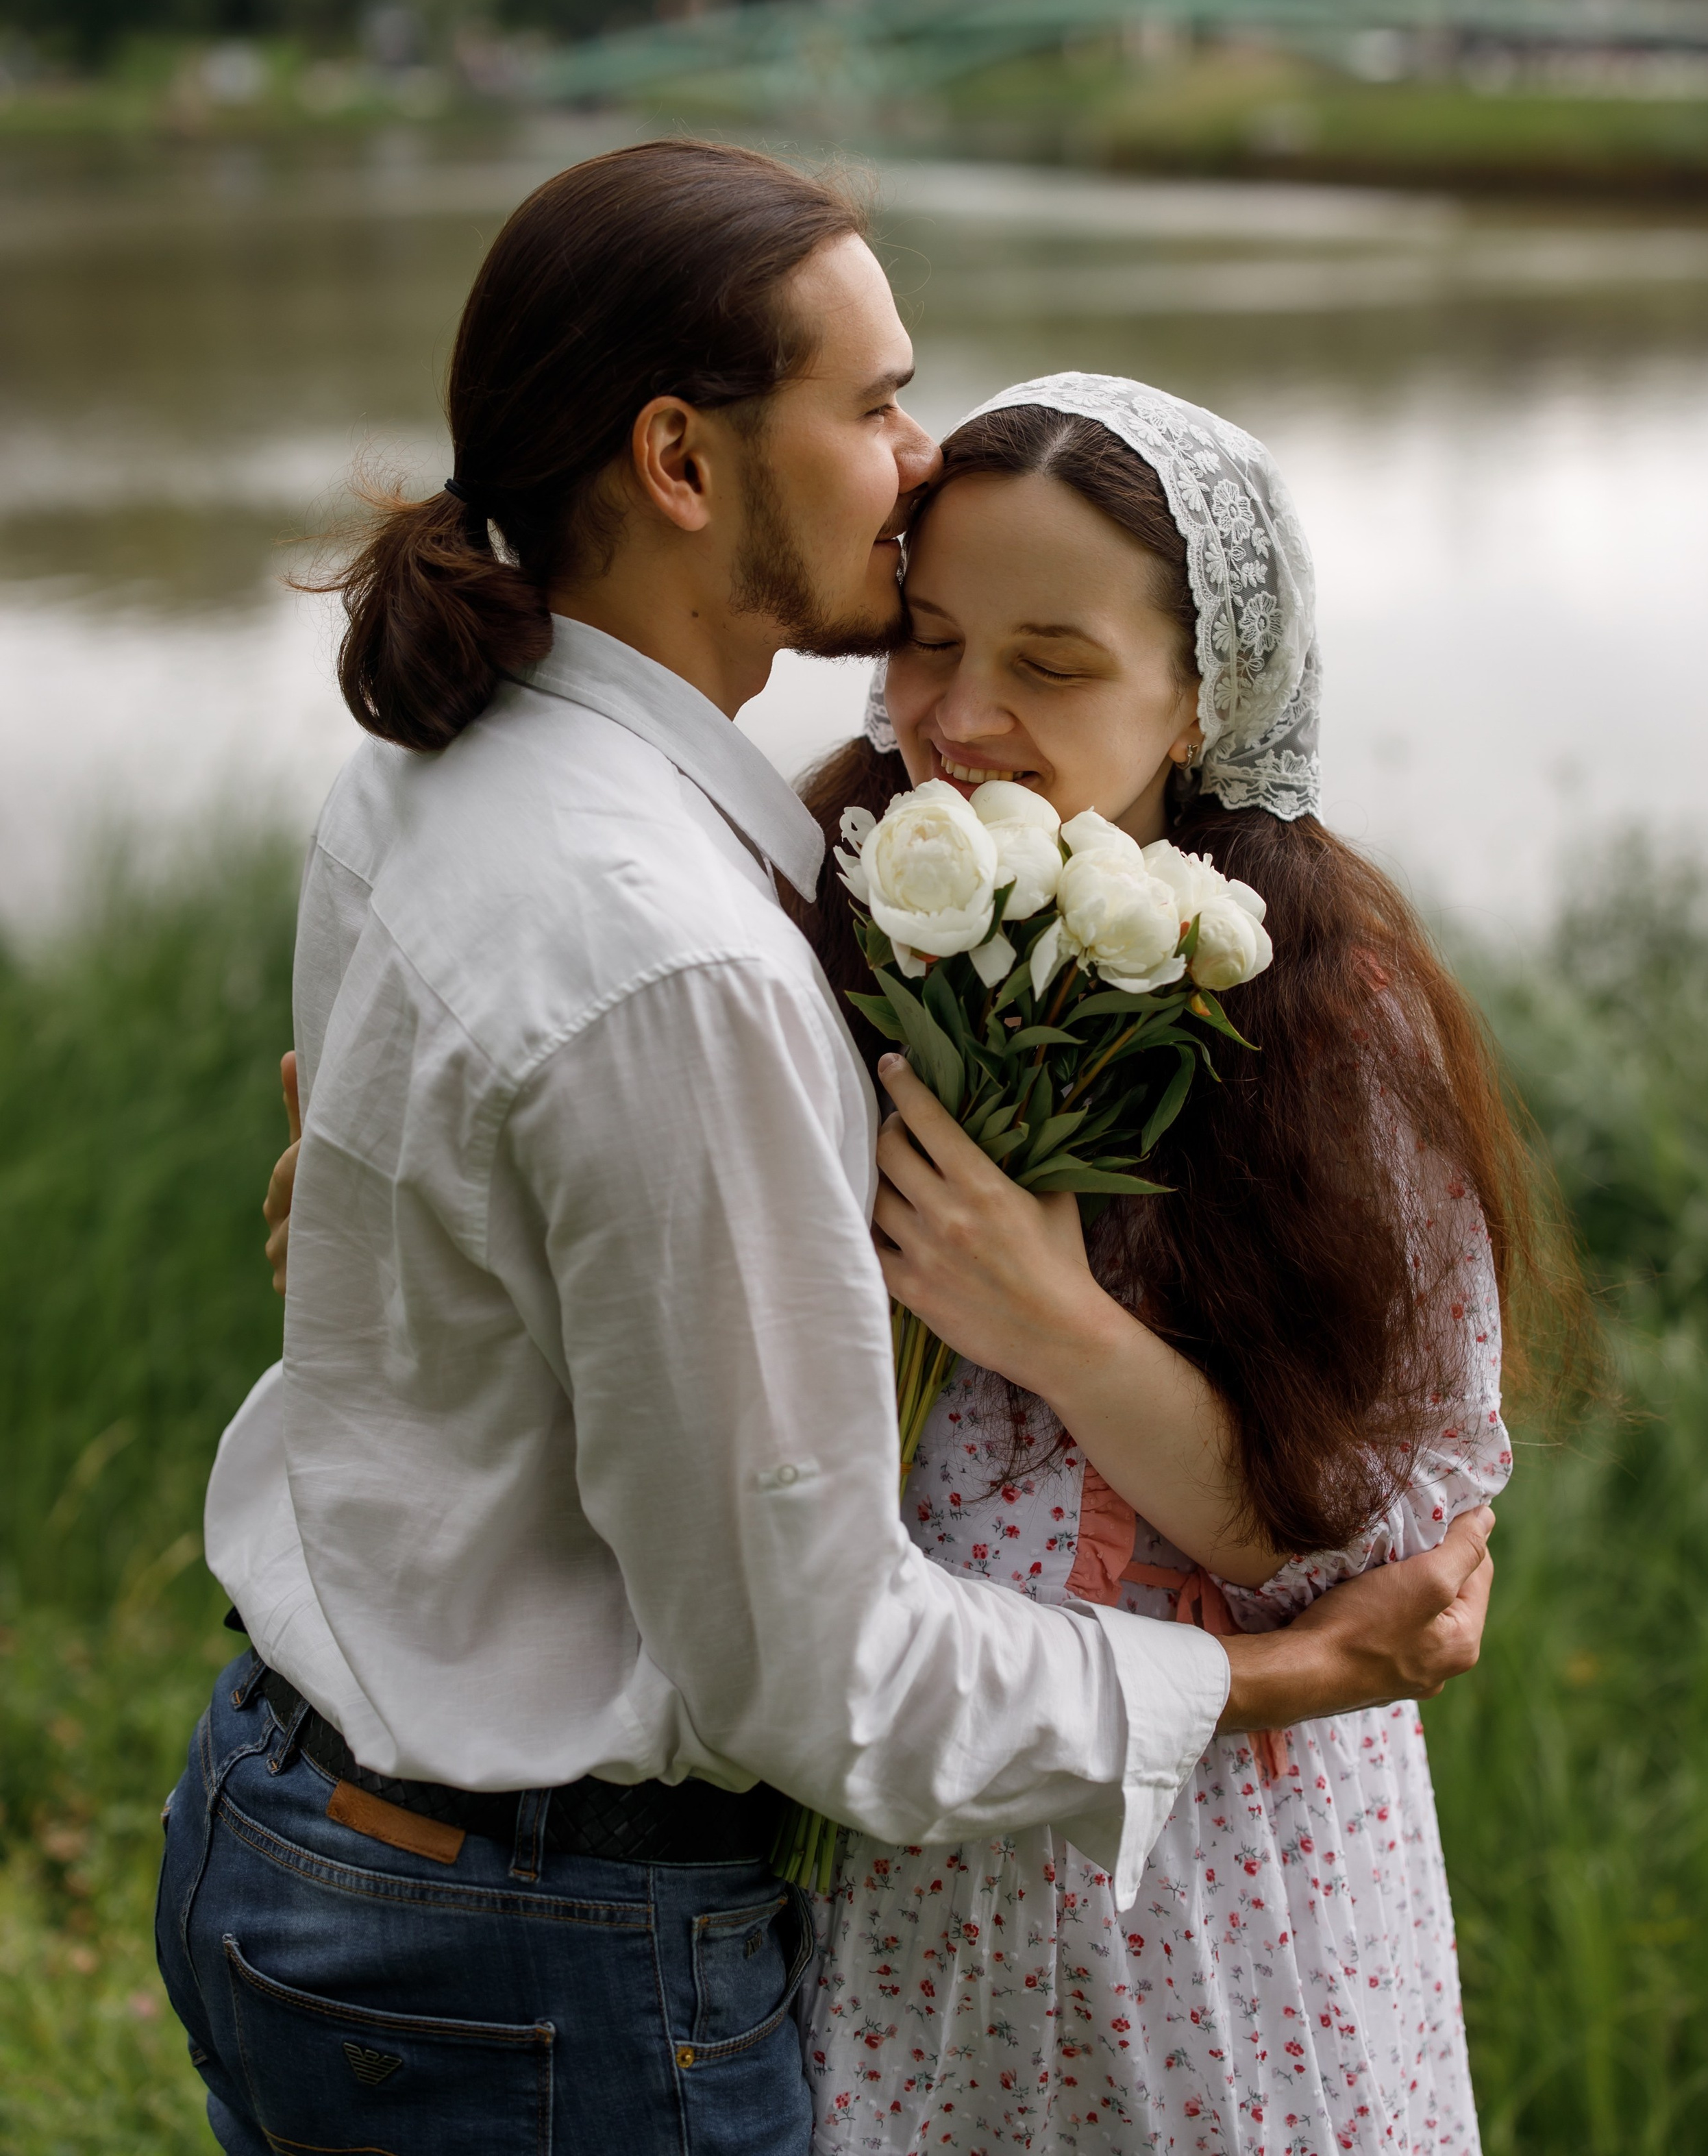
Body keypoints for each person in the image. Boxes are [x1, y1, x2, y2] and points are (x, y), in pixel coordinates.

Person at [198, 143, 1495, 2156]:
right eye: (876, 402)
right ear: (683, 464)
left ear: (1206, 699)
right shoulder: (735, 948)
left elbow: (1385, 1510)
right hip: (627, 1924)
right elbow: (820, 1662)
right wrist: (1272, 1681)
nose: (913, 466)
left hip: (1085, 1906)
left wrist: (404, 1255)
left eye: (1050, 664)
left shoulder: (509, 793)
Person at [786, 375, 1568, 2155]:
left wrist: (1055, 1324)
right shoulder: (809, 917)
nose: (962, 718)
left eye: (1053, 664)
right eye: (923, 641)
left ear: (1207, 692)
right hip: (897, 1878)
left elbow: (1386, 1559)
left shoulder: (1326, 1025)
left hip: (1226, 1892)